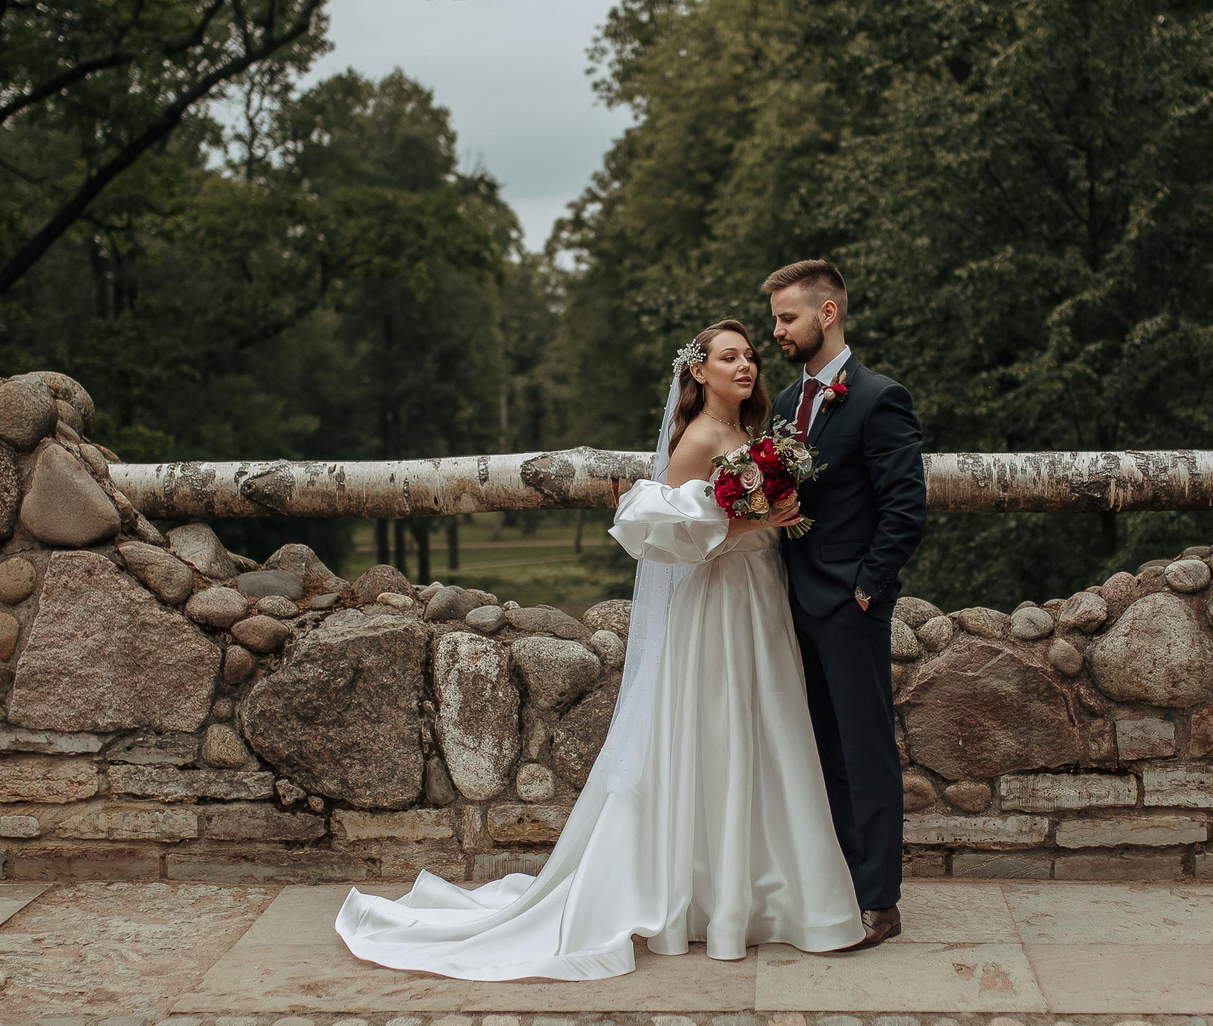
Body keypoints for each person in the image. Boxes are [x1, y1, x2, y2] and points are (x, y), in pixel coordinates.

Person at [334, 319, 866, 979]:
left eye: (751, 355)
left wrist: (773, 507)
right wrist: (753, 518)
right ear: (699, 371)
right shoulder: (700, 437)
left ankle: (760, 896)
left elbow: (743, 514)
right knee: (723, 732)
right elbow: (661, 531)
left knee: (767, 733)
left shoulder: (752, 438)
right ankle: (718, 903)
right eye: (730, 356)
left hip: (760, 597)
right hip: (721, 603)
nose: (746, 365)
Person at [766, 259, 927, 950]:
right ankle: (836, 884)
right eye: (775, 319)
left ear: (827, 313)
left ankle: (879, 903)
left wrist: (867, 589)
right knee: (819, 750)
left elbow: (905, 507)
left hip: (849, 606)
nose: (778, 330)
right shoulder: (780, 404)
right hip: (787, 606)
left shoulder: (878, 397)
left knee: (865, 752)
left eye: (787, 317)